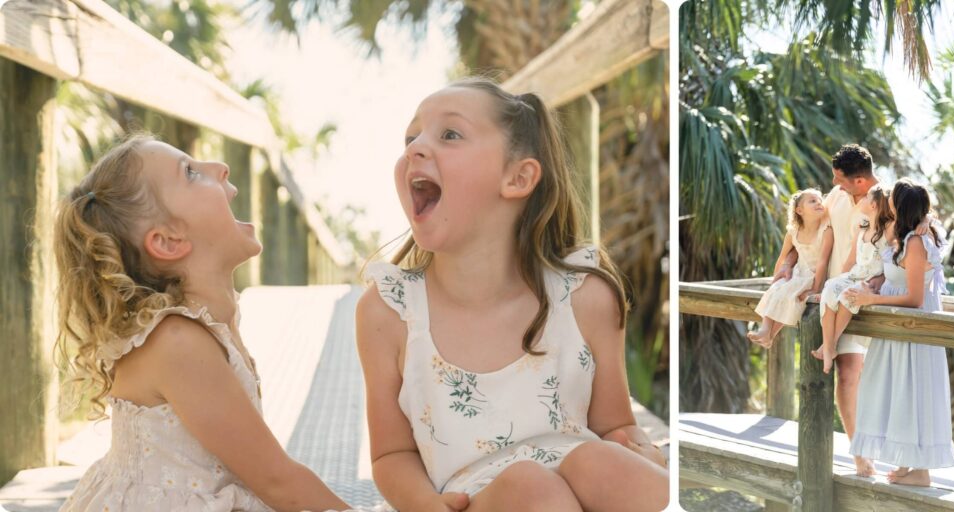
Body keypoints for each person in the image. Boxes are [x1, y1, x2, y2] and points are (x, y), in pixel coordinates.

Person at [356, 77, 668, 512]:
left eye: (449, 134)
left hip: (583, 484)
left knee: (601, 461)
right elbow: (391, 454)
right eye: (411, 137)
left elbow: (615, 425)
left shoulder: (584, 295)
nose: (415, 148)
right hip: (472, 499)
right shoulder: (389, 313)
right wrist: (423, 504)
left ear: (518, 177)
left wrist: (642, 452)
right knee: (529, 486)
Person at [55, 136, 352, 512]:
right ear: (167, 241)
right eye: (192, 173)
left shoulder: (201, 328)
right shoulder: (177, 342)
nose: (221, 168)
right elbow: (279, 482)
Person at [846, 178, 954, 486]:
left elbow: (915, 298)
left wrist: (872, 299)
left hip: (914, 330)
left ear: (901, 205)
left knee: (914, 393)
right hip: (897, 330)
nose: (887, 199)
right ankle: (908, 464)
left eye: (893, 197)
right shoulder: (907, 235)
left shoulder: (917, 243)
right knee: (900, 394)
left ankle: (921, 471)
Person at [813, 184, 894, 373]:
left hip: (872, 280)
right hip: (855, 274)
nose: (862, 200)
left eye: (867, 197)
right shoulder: (862, 228)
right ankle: (828, 345)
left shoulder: (889, 229)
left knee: (848, 295)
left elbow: (914, 220)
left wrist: (925, 221)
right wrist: (838, 281)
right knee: (831, 287)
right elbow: (850, 260)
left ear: (873, 205)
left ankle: (830, 345)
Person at [747, 188, 833, 347]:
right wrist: (775, 280)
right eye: (812, 201)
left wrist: (815, 289)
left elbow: (823, 262)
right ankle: (766, 330)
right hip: (798, 272)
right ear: (799, 210)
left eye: (820, 200)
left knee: (790, 296)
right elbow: (782, 257)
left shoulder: (826, 231)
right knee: (777, 289)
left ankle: (769, 334)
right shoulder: (793, 232)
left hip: (814, 277)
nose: (819, 203)